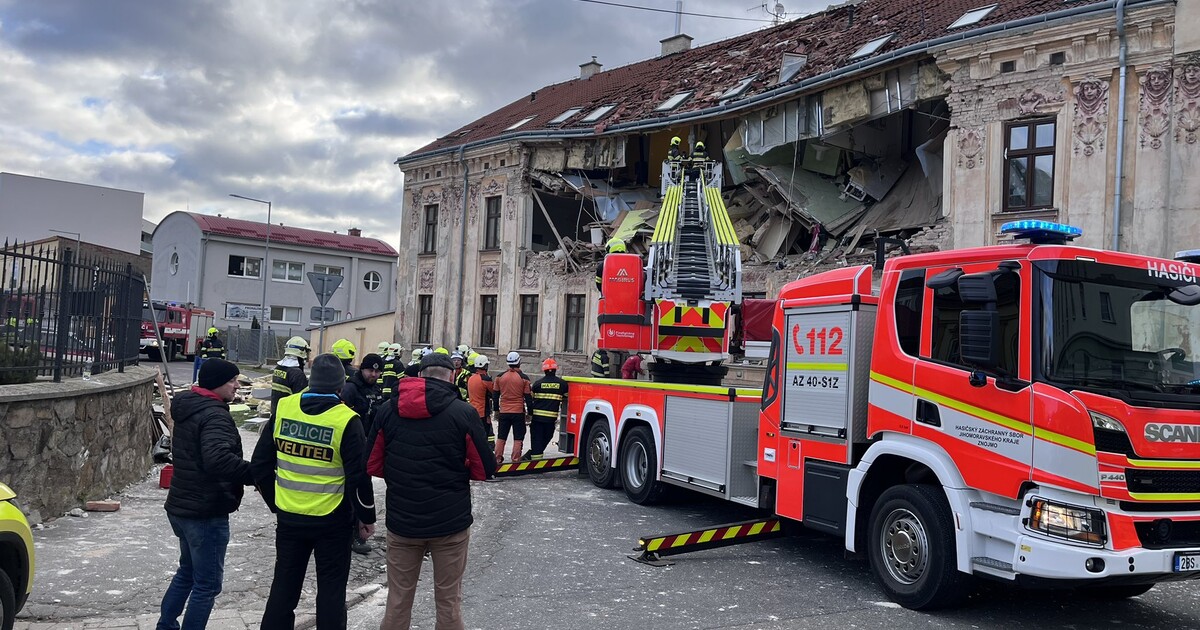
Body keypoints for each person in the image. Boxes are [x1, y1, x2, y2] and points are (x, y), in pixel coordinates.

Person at [366, 352, 496, 629]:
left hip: (403, 521)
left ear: (420, 375)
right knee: (448, 603)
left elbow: (373, 464)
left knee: (398, 600)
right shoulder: (464, 413)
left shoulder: (388, 410)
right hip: (450, 524)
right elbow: (485, 470)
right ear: (452, 376)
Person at [251, 354, 376, 630]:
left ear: (310, 379)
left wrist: (277, 502)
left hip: (289, 518)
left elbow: (260, 466)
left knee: (283, 587)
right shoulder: (346, 420)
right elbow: (359, 477)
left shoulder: (285, 408)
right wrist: (366, 517)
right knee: (331, 593)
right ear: (341, 387)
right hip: (332, 520)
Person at [157, 358, 254, 630]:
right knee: (207, 584)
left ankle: (165, 626)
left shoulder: (190, 406)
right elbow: (218, 460)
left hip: (181, 505)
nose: (237, 385)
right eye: (232, 381)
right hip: (205, 511)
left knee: (187, 572)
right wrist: (254, 473)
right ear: (216, 384)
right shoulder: (214, 414)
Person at [494, 351, 532, 465]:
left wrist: (496, 410)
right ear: (519, 362)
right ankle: (515, 460)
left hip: (504, 411)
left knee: (501, 436)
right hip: (518, 412)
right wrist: (530, 413)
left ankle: (497, 459)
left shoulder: (499, 377)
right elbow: (528, 397)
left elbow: (495, 396)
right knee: (518, 437)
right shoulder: (524, 378)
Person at [526, 358, 568, 460]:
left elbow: (530, 401)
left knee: (536, 441)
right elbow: (566, 400)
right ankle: (534, 458)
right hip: (550, 420)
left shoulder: (537, 384)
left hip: (537, 419)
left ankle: (535, 461)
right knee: (546, 438)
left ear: (544, 370)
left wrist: (530, 414)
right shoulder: (562, 384)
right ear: (555, 369)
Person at [270, 336, 310, 422]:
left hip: (276, 414)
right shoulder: (297, 374)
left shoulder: (278, 368)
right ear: (301, 352)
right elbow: (304, 399)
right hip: (289, 418)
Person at [466, 354, 497, 449]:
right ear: (485, 366)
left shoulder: (471, 378)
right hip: (482, 413)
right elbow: (494, 392)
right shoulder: (485, 379)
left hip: (472, 411)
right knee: (484, 435)